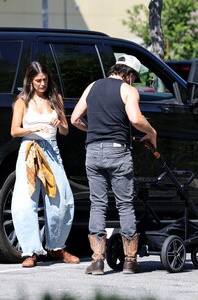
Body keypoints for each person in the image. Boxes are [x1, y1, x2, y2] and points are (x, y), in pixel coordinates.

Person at [71, 54, 157, 275]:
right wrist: (152, 132)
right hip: (118, 152)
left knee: (97, 204)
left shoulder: (91, 87)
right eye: (134, 77)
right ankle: (130, 261)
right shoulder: (128, 90)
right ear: (128, 75)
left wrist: (93, 131)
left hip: (93, 151)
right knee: (124, 204)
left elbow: (75, 119)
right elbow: (136, 119)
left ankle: (97, 261)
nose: (133, 81)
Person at [11, 61, 80, 267]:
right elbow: (14, 130)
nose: (42, 84)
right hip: (30, 150)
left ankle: (57, 247)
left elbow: (66, 131)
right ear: (30, 80)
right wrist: (37, 128)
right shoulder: (22, 101)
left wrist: (60, 125)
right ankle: (30, 251)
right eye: (38, 80)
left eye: (45, 80)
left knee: (61, 200)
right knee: (25, 201)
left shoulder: (55, 98)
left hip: (52, 149)